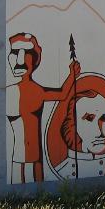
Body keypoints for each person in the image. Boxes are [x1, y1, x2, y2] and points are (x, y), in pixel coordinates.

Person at [6, 33, 79, 183]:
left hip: (32, 160)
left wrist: (72, 75)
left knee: (30, 190)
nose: (19, 59)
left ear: (35, 60)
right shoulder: (12, 92)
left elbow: (63, 94)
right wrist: (72, 75)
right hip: (23, 159)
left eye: (25, 53)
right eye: (14, 52)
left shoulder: (34, 91)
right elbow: (63, 94)